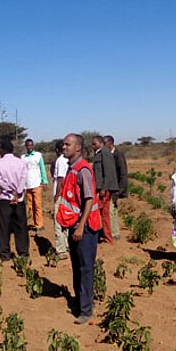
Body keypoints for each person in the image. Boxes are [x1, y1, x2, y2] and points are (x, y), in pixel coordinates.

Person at [56, 133, 101, 324]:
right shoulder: (70, 168)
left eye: (68, 144)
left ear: (78, 148)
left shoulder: (83, 170)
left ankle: (86, 310)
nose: (64, 147)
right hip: (74, 225)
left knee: (85, 268)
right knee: (77, 266)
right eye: (64, 144)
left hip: (86, 227)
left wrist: (81, 226)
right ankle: (79, 302)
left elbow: (89, 199)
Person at [0, 138, 29, 260]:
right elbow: (24, 178)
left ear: (2, 150)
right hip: (19, 199)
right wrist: (17, 192)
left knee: (4, 227)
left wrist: (11, 191)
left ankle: (4, 254)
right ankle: (23, 252)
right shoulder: (21, 162)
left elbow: (0, 181)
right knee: (21, 226)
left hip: (5, 199)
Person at [91, 135, 119, 245]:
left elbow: (108, 172)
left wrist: (104, 188)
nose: (93, 146)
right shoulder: (99, 153)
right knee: (103, 214)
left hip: (104, 189)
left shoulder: (105, 153)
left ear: (100, 143)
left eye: (94, 144)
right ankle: (107, 237)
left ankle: (105, 238)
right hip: (100, 188)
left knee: (100, 213)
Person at [21, 138, 49, 235]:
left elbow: (42, 168)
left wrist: (44, 181)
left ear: (33, 146)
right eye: (28, 145)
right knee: (30, 206)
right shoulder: (23, 157)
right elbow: (22, 171)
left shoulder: (38, 156)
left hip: (36, 183)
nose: (29, 147)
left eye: (31, 145)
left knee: (37, 204)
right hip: (27, 185)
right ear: (25, 146)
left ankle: (39, 225)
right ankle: (34, 222)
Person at [105, 135, 128, 241]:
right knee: (109, 210)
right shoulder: (107, 155)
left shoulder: (118, 155)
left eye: (105, 143)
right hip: (109, 187)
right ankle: (110, 232)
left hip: (116, 188)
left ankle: (115, 233)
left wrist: (120, 190)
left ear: (110, 143)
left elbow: (123, 173)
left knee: (112, 210)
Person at [51, 140, 70, 259]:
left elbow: (60, 180)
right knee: (66, 221)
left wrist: (57, 195)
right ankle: (67, 245)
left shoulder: (60, 161)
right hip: (68, 195)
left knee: (58, 222)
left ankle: (61, 250)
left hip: (61, 195)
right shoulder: (69, 160)